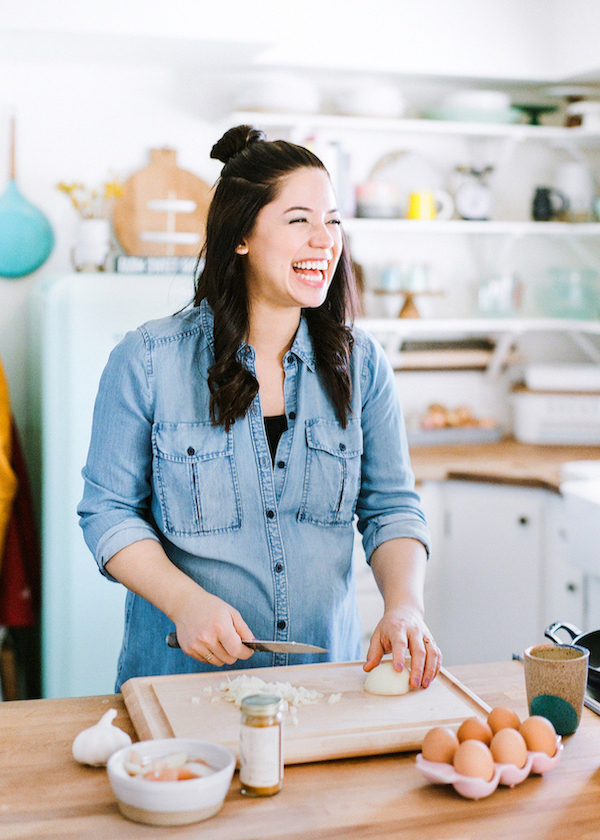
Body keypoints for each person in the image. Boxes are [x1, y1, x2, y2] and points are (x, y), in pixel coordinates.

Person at [78, 125, 441, 693]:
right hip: (182, 686)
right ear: (241, 236)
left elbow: (391, 509)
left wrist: (405, 607)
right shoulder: (148, 361)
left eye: (333, 221)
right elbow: (108, 512)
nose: (324, 240)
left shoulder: (363, 365)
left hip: (324, 684)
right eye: (299, 220)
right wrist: (186, 602)